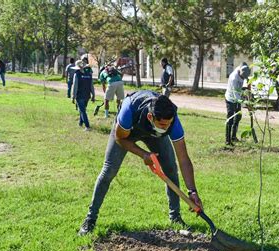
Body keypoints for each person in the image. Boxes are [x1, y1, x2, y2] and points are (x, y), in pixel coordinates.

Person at [78, 90, 203, 235]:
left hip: (154, 135)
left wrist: (192, 191)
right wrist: (144, 154)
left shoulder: (172, 122)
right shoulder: (129, 109)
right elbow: (120, 139)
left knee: (170, 169)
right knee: (109, 170)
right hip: (126, 132)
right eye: (163, 125)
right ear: (151, 117)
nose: (166, 128)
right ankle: (90, 219)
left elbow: (184, 159)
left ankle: (175, 217)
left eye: (168, 125)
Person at [224, 63, 250, 145]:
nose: (243, 79)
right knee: (230, 119)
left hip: (237, 96)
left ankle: (233, 137)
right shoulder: (234, 78)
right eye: (243, 77)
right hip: (231, 99)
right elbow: (237, 96)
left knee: (238, 117)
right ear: (239, 72)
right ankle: (228, 140)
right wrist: (247, 104)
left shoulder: (243, 69)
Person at [72, 60, 95, 131]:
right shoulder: (89, 74)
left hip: (80, 96)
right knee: (82, 110)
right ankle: (80, 123)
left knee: (82, 111)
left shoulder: (77, 74)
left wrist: (73, 96)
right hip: (87, 96)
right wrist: (93, 95)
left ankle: (87, 126)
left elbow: (75, 86)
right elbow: (92, 86)